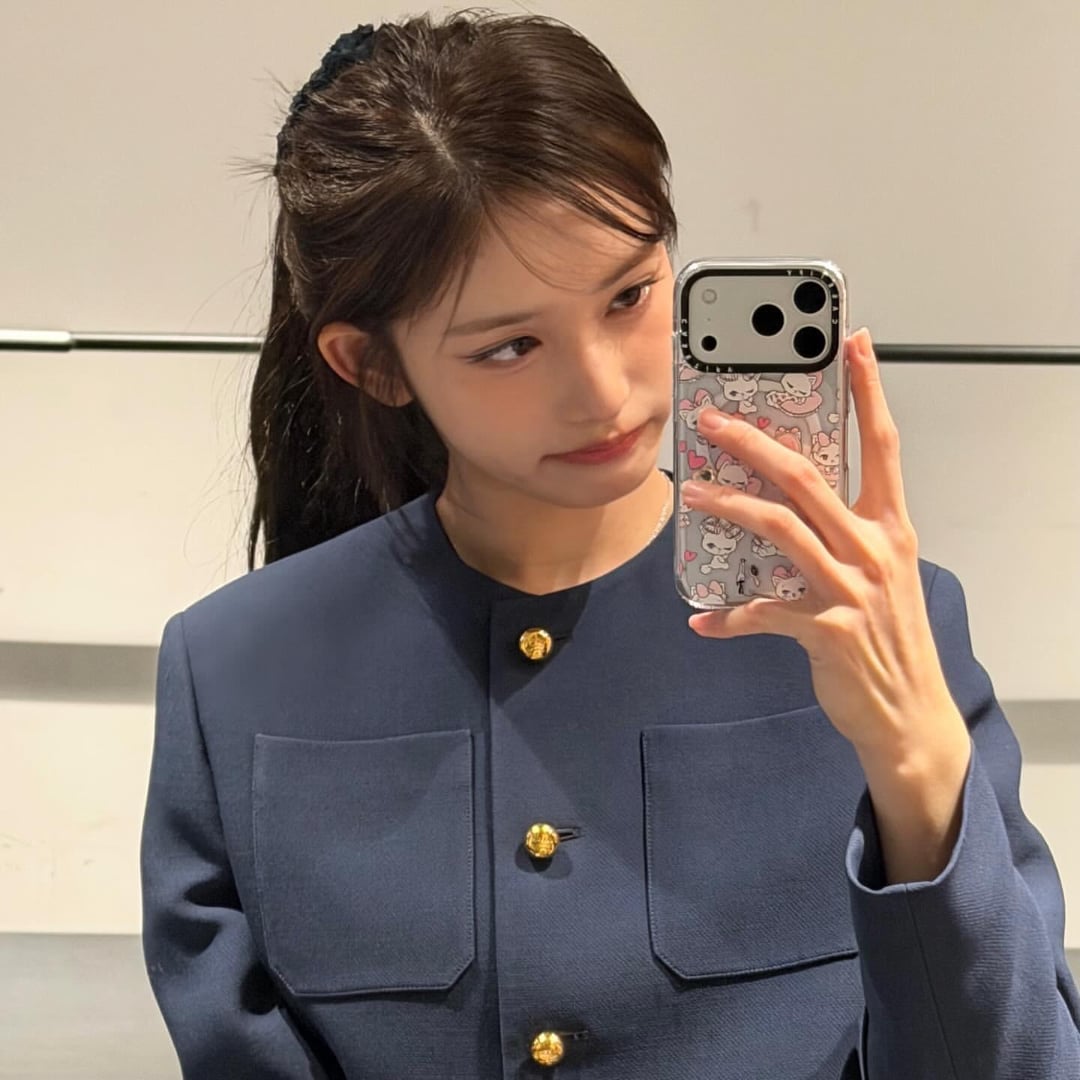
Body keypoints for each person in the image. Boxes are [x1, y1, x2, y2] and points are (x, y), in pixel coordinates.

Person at [139, 10, 1080, 1078]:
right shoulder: (233, 676)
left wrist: (917, 762)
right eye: (510, 346)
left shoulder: (880, 624)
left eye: (631, 295)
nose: (603, 391)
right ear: (374, 364)